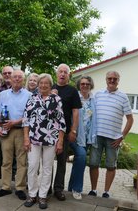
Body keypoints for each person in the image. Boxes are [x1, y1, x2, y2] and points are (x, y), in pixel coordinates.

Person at [23, 73, 66, 209]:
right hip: (33, 138)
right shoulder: (32, 98)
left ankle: (42, 196)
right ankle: (32, 195)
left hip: (51, 138)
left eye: (46, 83)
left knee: (47, 169)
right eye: (41, 83)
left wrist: (60, 141)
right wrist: (25, 138)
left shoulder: (56, 99)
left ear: (50, 84)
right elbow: (26, 119)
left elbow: (61, 121)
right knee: (32, 166)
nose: (43, 85)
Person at [88, 71, 134, 198]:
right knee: (93, 164)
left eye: (115, 79)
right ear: (106, 79)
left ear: (118, 80)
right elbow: (90, 113)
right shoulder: (98, 95)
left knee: (111, 166)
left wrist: (122, 136)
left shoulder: (123, 97)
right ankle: (93, 190)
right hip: (97, 136)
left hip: (113, 138)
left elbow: (130, 119)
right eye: (110, 78)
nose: (112, 81)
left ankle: (106, 192)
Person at [0, 70, 31, 200]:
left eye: (19, 77)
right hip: (6, 131)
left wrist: (14, 122)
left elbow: (29, 116)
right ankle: (5, 187)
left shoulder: (29, 95)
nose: (16, 79)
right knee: (6, 160)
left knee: (22, 161)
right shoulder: (3, 94)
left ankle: (20, 188)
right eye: (14, 76)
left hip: (22, 131)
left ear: (23, 79)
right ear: (10, 78)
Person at [51, 63, 82, 201]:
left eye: (65, 72)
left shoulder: (72, 91)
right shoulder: (50, 88)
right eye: (60, 71)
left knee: (62, 161)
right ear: (56, 74)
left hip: (64, 131)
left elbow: (76, 112)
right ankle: (45, 188)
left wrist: (73, 130)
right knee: (47, 162)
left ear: (69, 75)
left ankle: (58, 189)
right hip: (47, 132)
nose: (62, 74)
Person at [68, 76, 97, 200]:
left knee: (79, 161)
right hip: (75, 134)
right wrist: (72, 131)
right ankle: (77, 189)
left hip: (88, 137)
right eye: (82, 84)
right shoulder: (75, 97)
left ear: (91, 85)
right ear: (79, 85)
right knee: (82, 156)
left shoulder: (94, 100)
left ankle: (70, 188)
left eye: (87, 84)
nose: (85, 86)